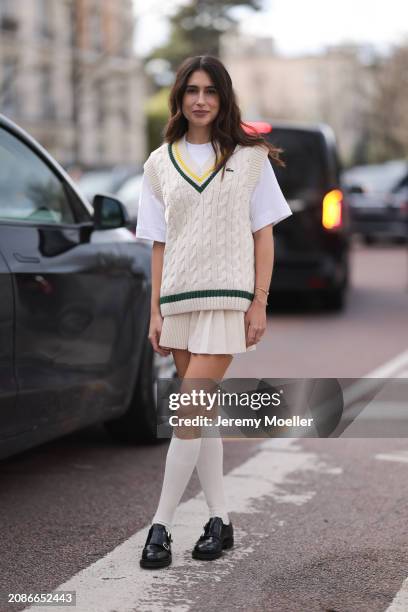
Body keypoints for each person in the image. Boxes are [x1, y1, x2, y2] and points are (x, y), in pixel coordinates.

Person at [136, 55, 293, 569]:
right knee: (199, 416)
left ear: (223, 98)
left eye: (210, 91)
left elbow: (263, 234)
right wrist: (157, 310)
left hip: (229, 301)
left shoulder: (249, 159)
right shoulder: (159, 163)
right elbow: (159, 243)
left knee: (187, 410)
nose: (200, 100)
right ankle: (220, 521)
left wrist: (259, 301)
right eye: (191, 90)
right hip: (179, 301)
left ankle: (159, 526)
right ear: (179, 97)